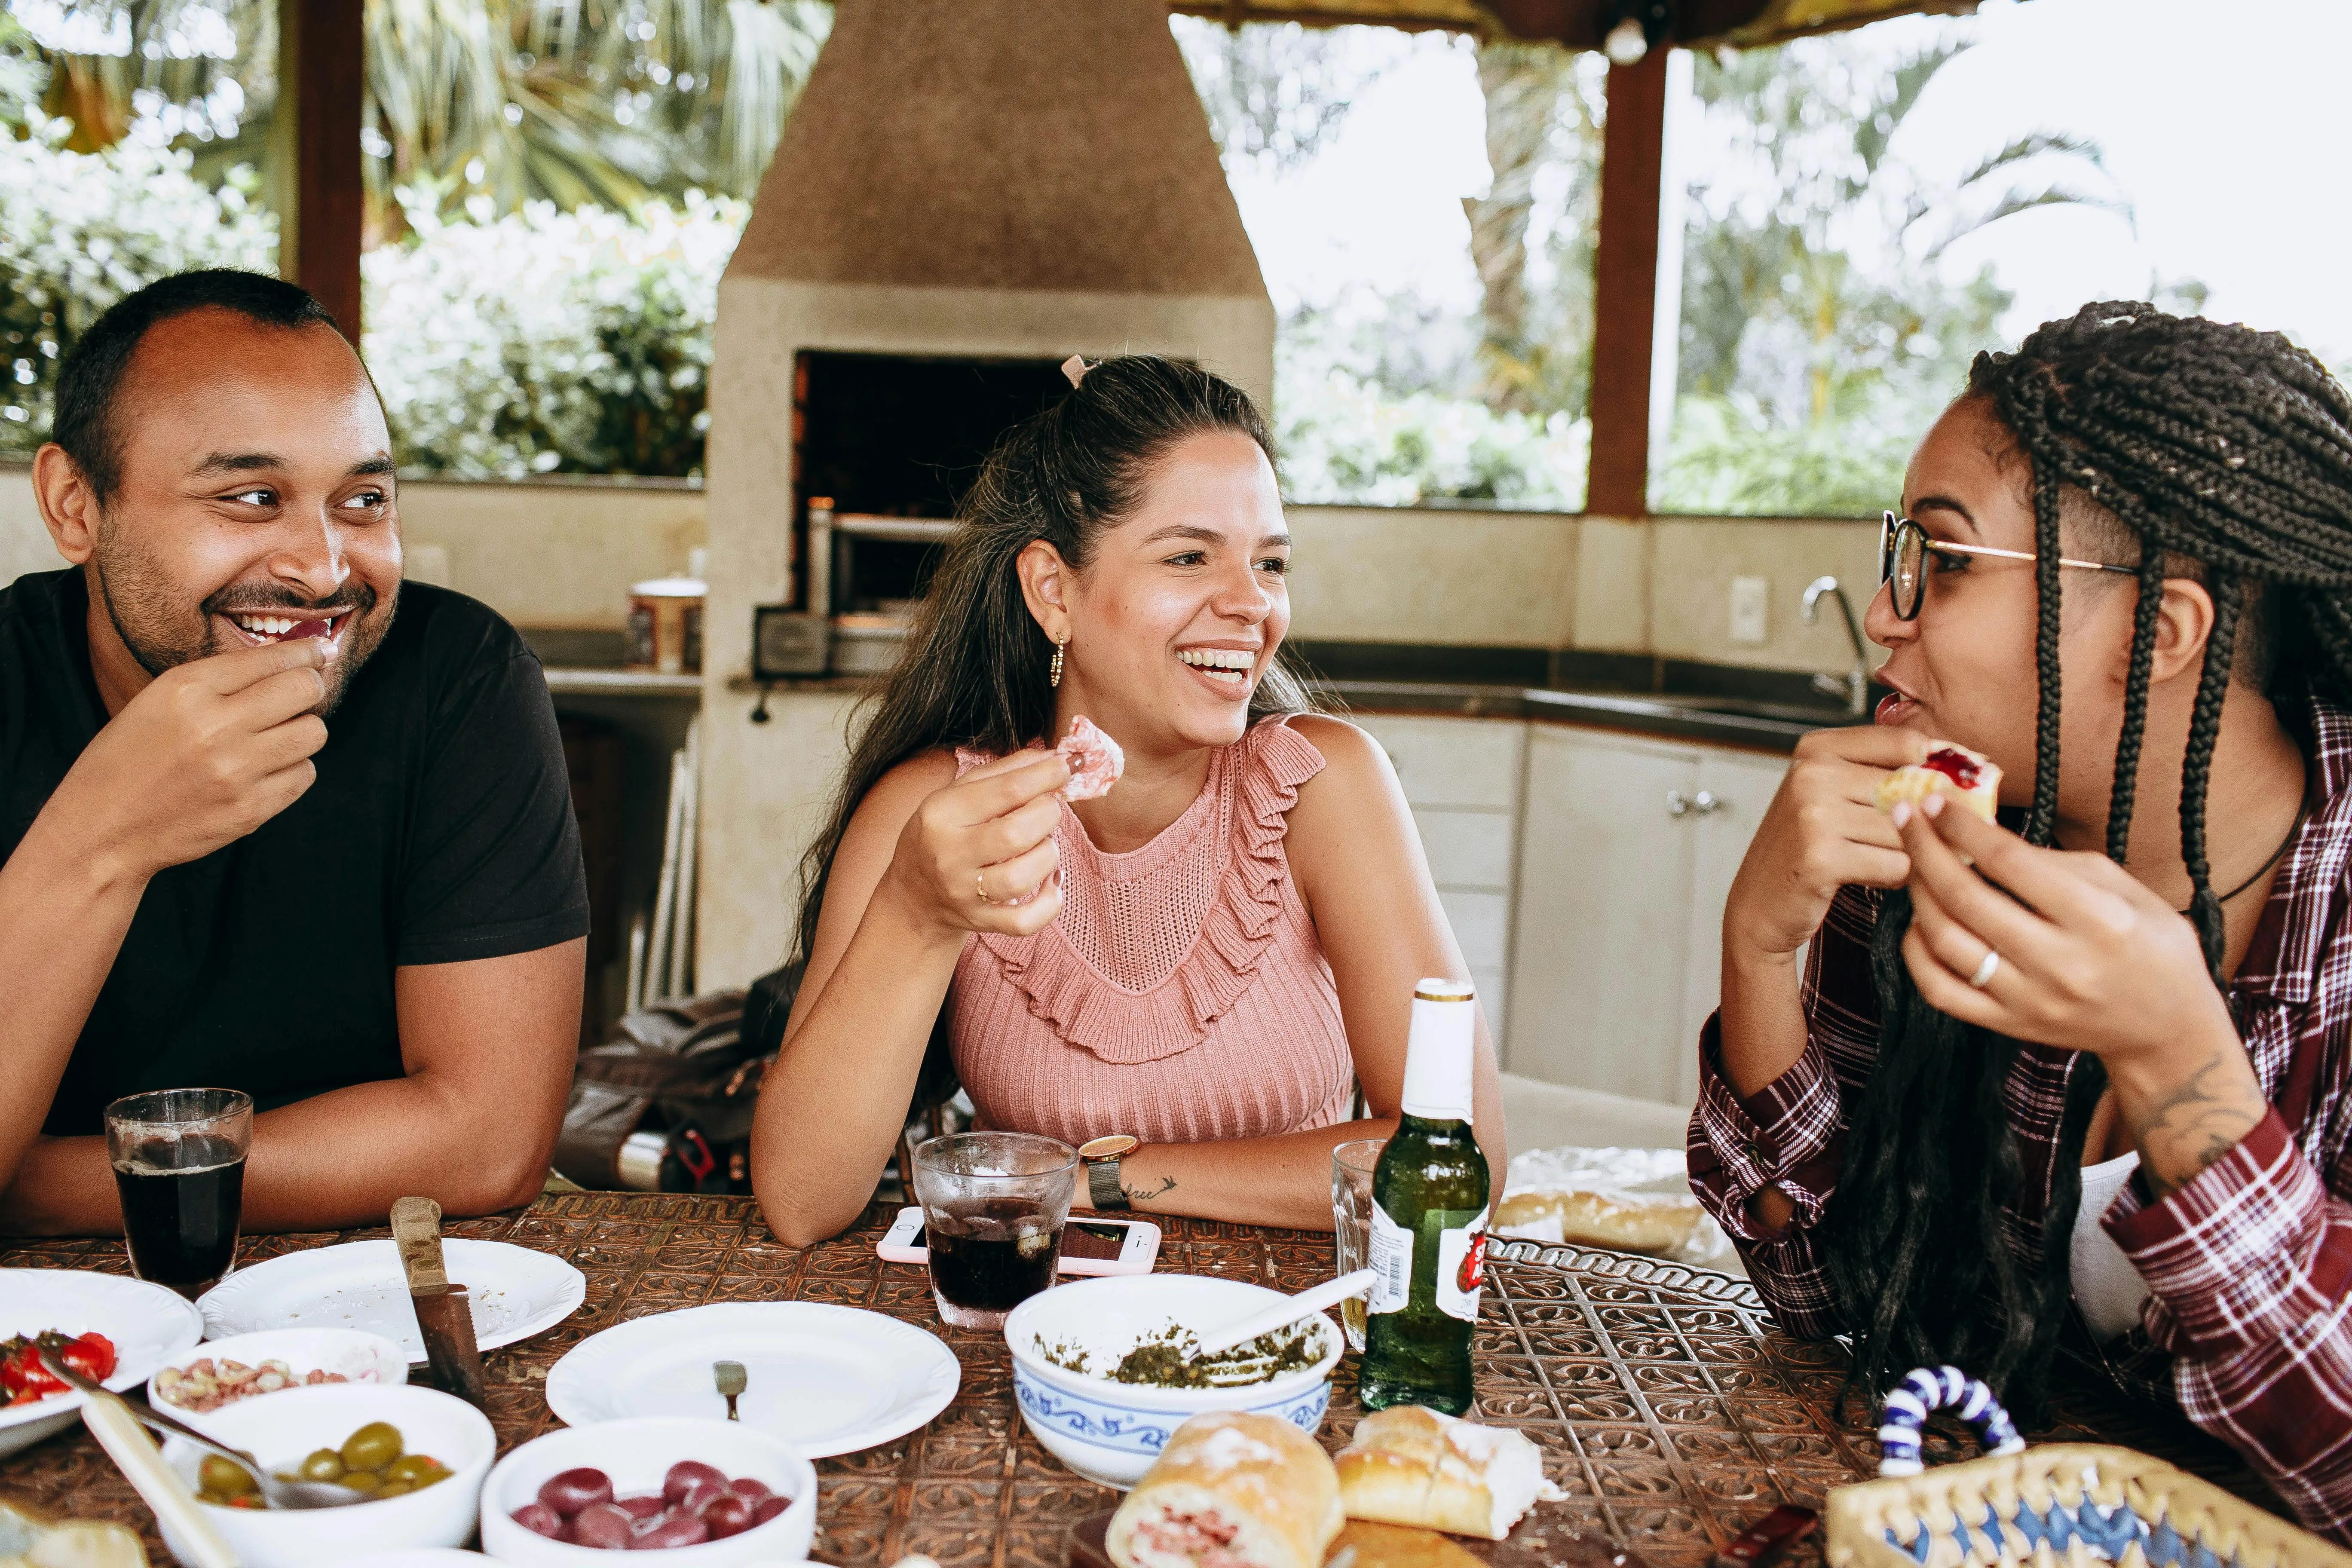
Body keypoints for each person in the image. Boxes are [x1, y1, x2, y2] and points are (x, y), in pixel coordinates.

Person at [1689, 302, 2352, 1540]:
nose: (1885, 615)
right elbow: (1829, 1301)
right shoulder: (1935, 844)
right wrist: (1760, 948)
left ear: (2159, 633)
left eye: (1944, 560)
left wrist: (2179, 1061)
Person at [752, 355, 1505, 1246]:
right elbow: (802, 1203)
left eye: (1270, 564)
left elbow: (1462, 1164)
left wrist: (1097, 1179)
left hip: (1292, 1318)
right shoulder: (943, 814)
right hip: (1039, 1318)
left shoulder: (1321, 787)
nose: (1252, 604)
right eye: (1188, 557)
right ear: (1054, 591)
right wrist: (917, 912)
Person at [0, 269, 588, 1235]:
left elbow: (486, 1140)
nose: (322, 570)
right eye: (251, 497)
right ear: (75, 505)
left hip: (382, 1272)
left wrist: (33, 1186)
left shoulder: (458, 676)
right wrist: (101, 840)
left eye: (363, 500)